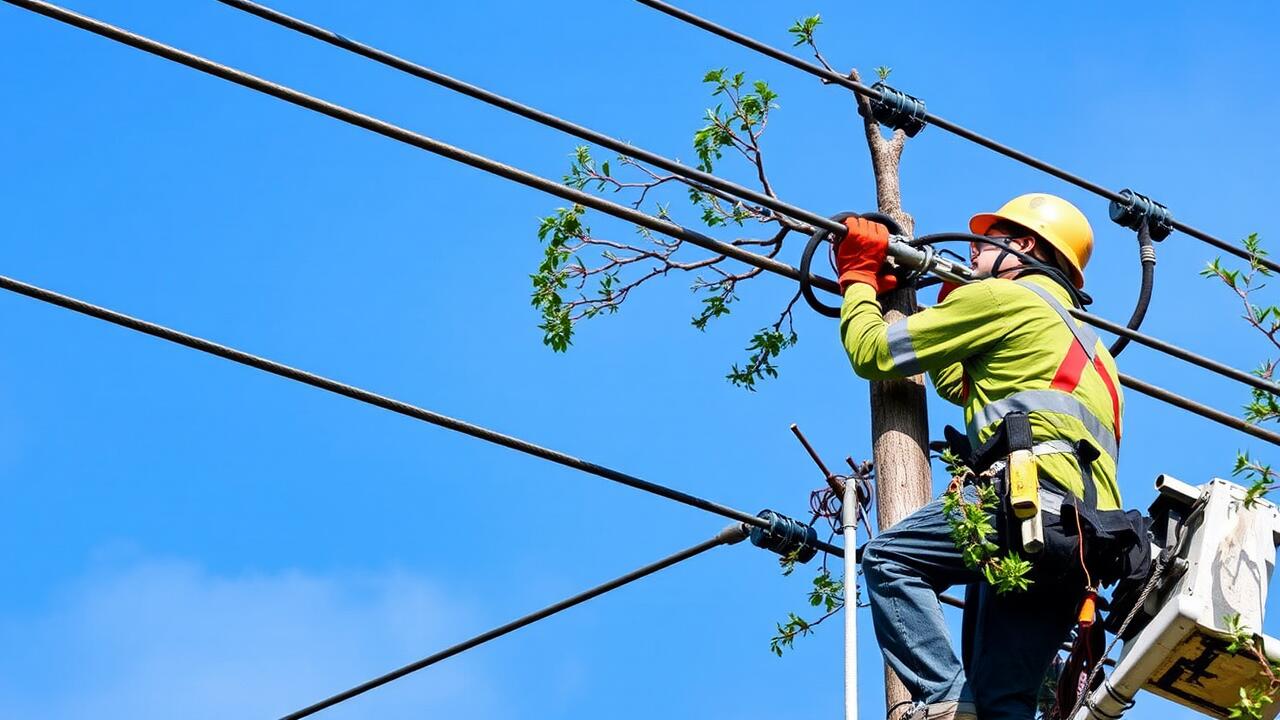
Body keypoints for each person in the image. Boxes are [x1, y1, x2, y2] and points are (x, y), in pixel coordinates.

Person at [836, 194, 1126, 720]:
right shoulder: (1094, 347)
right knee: (1001, 708)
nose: (970, 257)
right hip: (1081, 546)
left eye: (982, 245)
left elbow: (874, 354)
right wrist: (939, 310)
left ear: (1023, 245)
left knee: (890, 560)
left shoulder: (1001, 299)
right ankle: (965, 707)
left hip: (1020, 505)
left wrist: (857, 277)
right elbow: (963, 384)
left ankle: (943, 696)